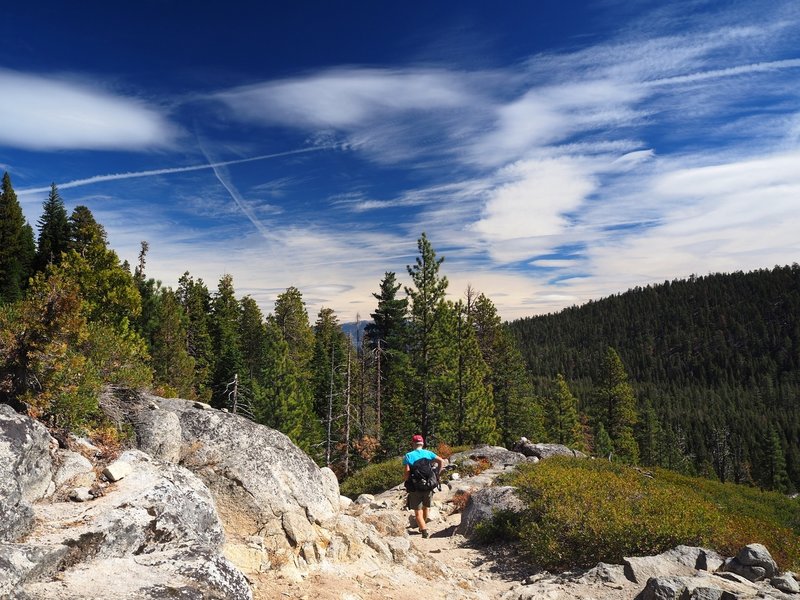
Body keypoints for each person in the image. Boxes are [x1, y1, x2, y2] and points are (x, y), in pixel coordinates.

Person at [403, 434, 445, 538]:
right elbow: (441, 460)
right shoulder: (428, 453)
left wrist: (406, 481)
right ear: (422, 443)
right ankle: (423, 525)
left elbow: (407, 471)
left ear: (413, 443)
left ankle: (424, 530)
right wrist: (437, 474)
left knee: (418, 512)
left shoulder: (408, 455)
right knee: (426, 507)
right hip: (429, 485)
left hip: (415, 486)